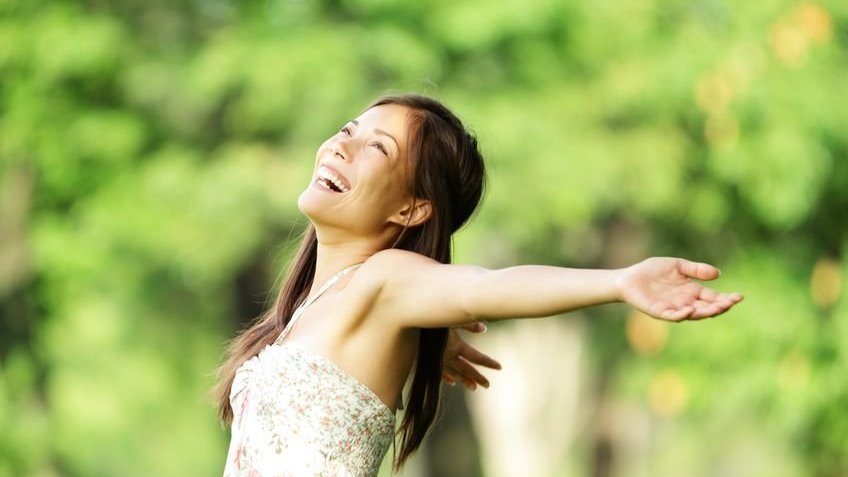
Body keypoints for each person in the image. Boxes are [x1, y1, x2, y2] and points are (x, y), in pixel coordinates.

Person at [214, 93, 743, 476]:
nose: (341, 146)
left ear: (412, 208)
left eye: (378, 149)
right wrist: (424, 336)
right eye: (350, 130)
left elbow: (484, 285)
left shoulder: (378, 281)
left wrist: (619, 280)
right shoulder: (320, 307)